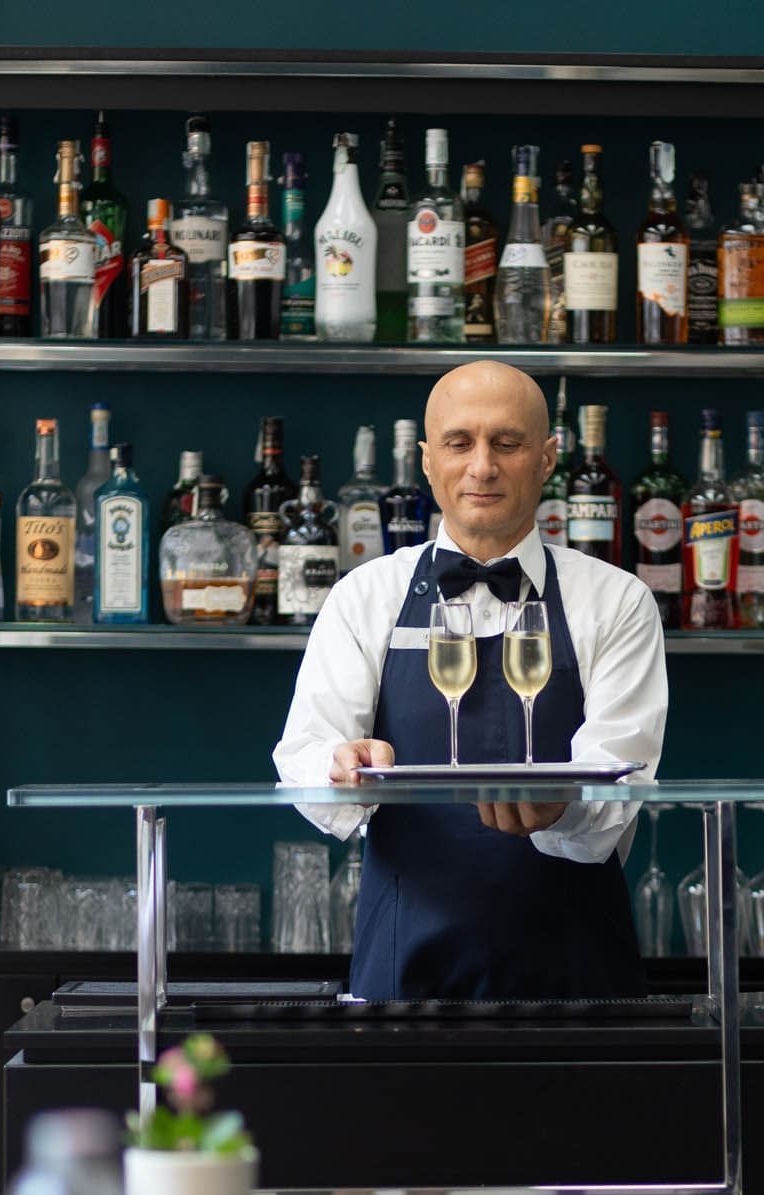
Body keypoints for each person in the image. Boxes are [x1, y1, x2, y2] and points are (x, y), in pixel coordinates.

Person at [274, 360, 667, 1001]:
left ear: (547, 459)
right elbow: (304, 756)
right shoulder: (364, 596)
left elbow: (623, 780)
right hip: (404, 964)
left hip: (578, 969)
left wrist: (562, 808)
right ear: (428, 461)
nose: (482, 466)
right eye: (460, 443)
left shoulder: (617, 601)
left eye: (506, 443)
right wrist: (341, 765)